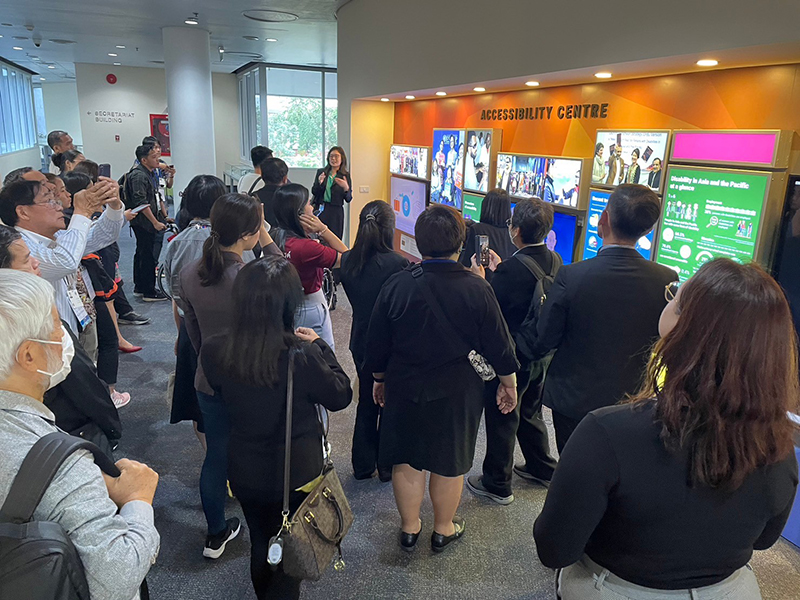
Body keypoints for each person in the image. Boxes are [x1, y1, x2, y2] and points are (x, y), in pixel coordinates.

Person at [534, 259, 800, 599]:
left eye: (675, 296)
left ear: (683, 327)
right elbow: (763, 540)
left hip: (615, 588)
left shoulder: (606, 432)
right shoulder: (777, 448)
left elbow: (554, 549)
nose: (669, 299)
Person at [365, 204, 519, 553]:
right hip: (458, 388)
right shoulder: (478, 288)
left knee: (407, 456)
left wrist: (379, 378)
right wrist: (509, 384)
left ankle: (409, 528)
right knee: (450, 459)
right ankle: (443, 528)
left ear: (418, 241)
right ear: (461, 242)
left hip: (404, 383)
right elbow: (500, 345)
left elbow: (376, 344)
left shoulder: (397, 284)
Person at [0, 269, 160, 600]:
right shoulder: (60, 465)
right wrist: (138, 501)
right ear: (28, 355)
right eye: (56, 325)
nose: (64, 336)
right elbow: (116, 577)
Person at [200, 256, 351, 599]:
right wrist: (321, 345)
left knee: (261, 540)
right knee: (292, 546)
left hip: (244, 466)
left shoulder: (214, 349)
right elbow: (341, 394)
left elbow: (222, 391)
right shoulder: (302, 354)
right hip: (297, 471)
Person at [536, 184, 678, 451]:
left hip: (573, 399)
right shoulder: (666, 279)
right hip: (634, 401)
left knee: (574, 470)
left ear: (604, 219)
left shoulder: (572, 275)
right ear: (648, 230)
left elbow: (545, 338)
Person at [180, 192, 278, 558]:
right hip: (253, 379)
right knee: (262, 453)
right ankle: (267, 529)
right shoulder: (252, 276)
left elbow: (193, 334)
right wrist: (265, 234)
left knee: (216, 455)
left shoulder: (191, 272)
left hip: (209, 379)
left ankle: (215, 532)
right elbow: (287, 277)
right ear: (249, 234)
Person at [466, 197, 560, 504]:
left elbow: (492, 312)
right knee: (531, 412)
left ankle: (497, 482)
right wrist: (500, 267)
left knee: (503, 416)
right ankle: (541, 465)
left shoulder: (510, 272)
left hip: (511, 357)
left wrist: (482, 280)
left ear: (515, 230)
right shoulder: (557, 262)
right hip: (541, 354)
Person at [0, 225, 122, 457]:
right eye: (26, 259)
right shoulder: (38, 330)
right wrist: (111, 427)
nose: (37, 263)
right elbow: (86, 388)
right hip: (67, 438)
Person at [163, 175, 245, 449]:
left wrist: (181, 334)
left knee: (201, 402)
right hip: (233, 332)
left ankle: (209, 453)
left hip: (193, 328)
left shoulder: (177, 241)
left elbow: (176, 297)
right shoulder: (230, 240)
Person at [0, 177, 124, 348]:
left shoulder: (57, 237)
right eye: (49, 201)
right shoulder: (19, 245)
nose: (59, 206)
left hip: (69, 330)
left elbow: (104, 235)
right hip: (42, 343)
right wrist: (83, 212)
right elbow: (63, 262)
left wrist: (114, 204)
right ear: (23, 212)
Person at [339, 201, 409, 481]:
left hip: (360, 339)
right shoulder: (398, 263)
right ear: (390, 228)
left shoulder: (347, 261)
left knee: (366, 400)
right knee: (389, 402)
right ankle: (386, 465)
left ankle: (362, 463)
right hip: (391, 343)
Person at [272, 183, 348, 349]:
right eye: (307, 203)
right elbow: (349, 257)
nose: (312, 206)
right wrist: (323, 229)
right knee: (322, 354)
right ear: (299, 214)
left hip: (284, 304)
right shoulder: (307, 247)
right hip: (309, 305)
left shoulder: (276, 236)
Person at [125, 144, 169, 301]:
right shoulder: (139, 176)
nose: (157, 158)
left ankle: (141, 286)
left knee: (143, 253)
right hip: (143, 222)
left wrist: (162, 216)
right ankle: (148, 291)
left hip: (148, 220)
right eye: (153, 156)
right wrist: (155, 222)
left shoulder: (148, 173)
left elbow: (155, 197)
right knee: (147, 255)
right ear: (144, 160)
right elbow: (141, 202)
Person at [459, 188, 516, 281]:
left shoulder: (477, 229)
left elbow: (466, 265)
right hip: (504, 284)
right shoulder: (513, 233)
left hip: (481, 282)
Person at [311, 146, 352, 240]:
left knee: (335, 238)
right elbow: (314, 192)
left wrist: (346, 188)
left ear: (342, 158)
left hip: (336, 211)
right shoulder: (321, 172)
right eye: (331, 156)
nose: (333, 159)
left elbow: (348, 199)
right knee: (319, 236)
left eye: (336, 156)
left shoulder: (345, 175)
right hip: (321, 209)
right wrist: (320, 183)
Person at [254, 157, 289, 226]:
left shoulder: (253, 198)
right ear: (285, 179)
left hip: (258, 236)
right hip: (285, 236)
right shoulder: (291, 198)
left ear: (262, 177)